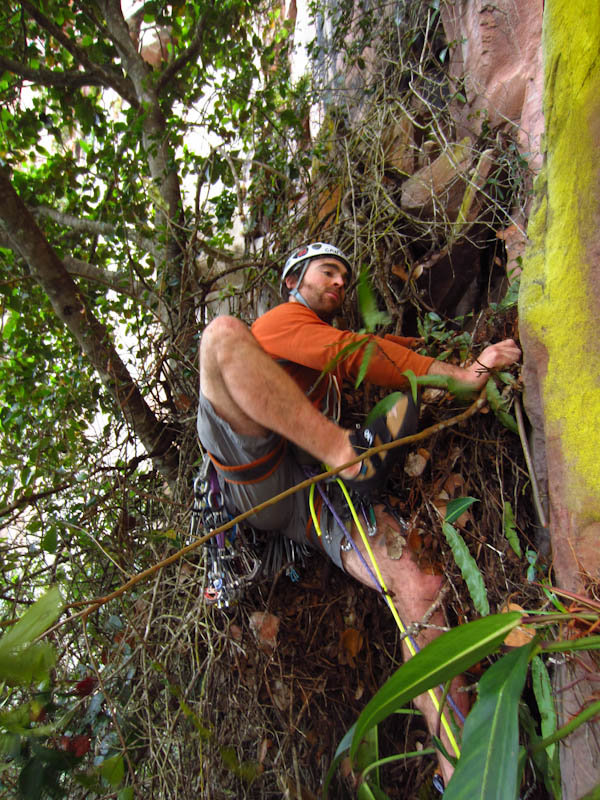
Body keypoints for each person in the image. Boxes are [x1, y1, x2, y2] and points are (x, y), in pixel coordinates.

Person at [197, 242, 521, 785]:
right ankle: (347, 450)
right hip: (253, 470)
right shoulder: (281, 322)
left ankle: (459, 770)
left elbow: (380, 348)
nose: (340, 284)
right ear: (293, 281)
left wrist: (464, 358)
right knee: (223, 337)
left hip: (308, 495)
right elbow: (357, 354)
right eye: (329, 272)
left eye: (346, 277)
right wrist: (458, 375)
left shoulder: (324, 345)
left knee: (418, 585)